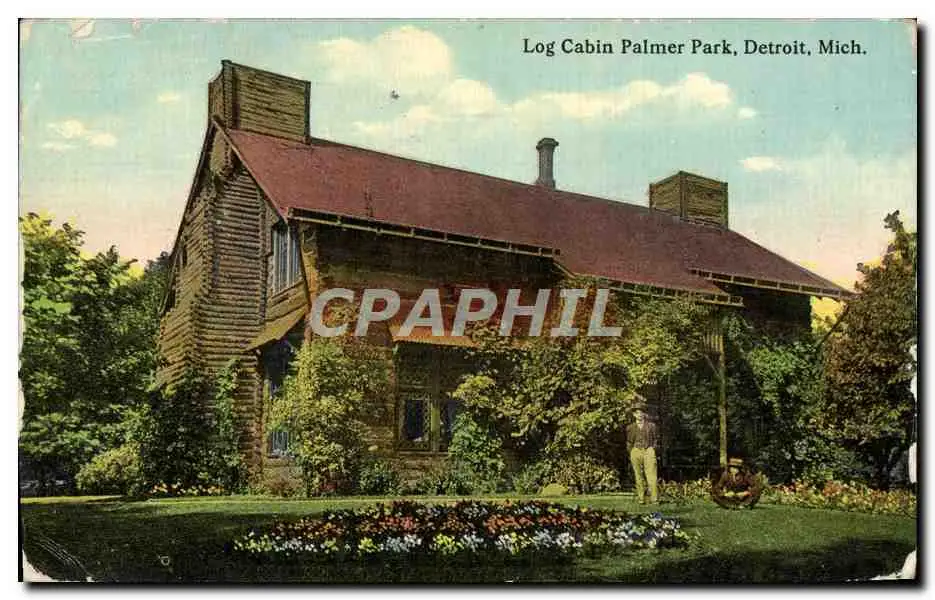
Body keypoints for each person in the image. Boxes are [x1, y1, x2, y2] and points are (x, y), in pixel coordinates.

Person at [626, 408, 659, 504]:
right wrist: (631, 451)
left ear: (644, 414)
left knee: (652, 475)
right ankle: (641, 498)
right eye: (637, 413)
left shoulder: (651, 426)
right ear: (634, 415)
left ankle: (654, 499)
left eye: (641, 412)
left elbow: (656, 439)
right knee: (638, 475)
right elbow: (629, 442)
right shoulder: (630, 427)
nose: (639, 414)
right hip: (635, 450)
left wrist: (652, 449)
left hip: (648, 450)